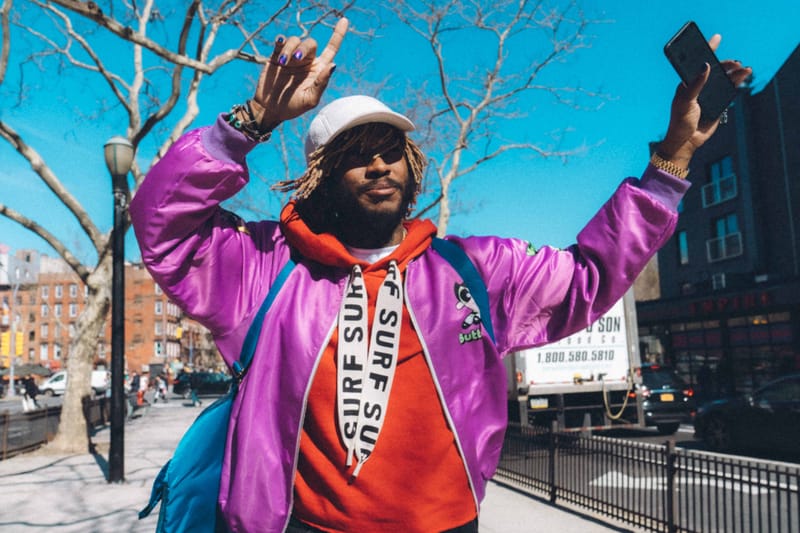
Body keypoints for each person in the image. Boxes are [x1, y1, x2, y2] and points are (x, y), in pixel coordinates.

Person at [130, 17, 750, 533]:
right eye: (354, 155)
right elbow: (162, 226)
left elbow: (590, 276)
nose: (378, 165)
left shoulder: (474, 268)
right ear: (321, 178)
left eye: (390, 149)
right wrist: (252, 120)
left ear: (413, 165)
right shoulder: (263, 268)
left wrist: (671, 160)